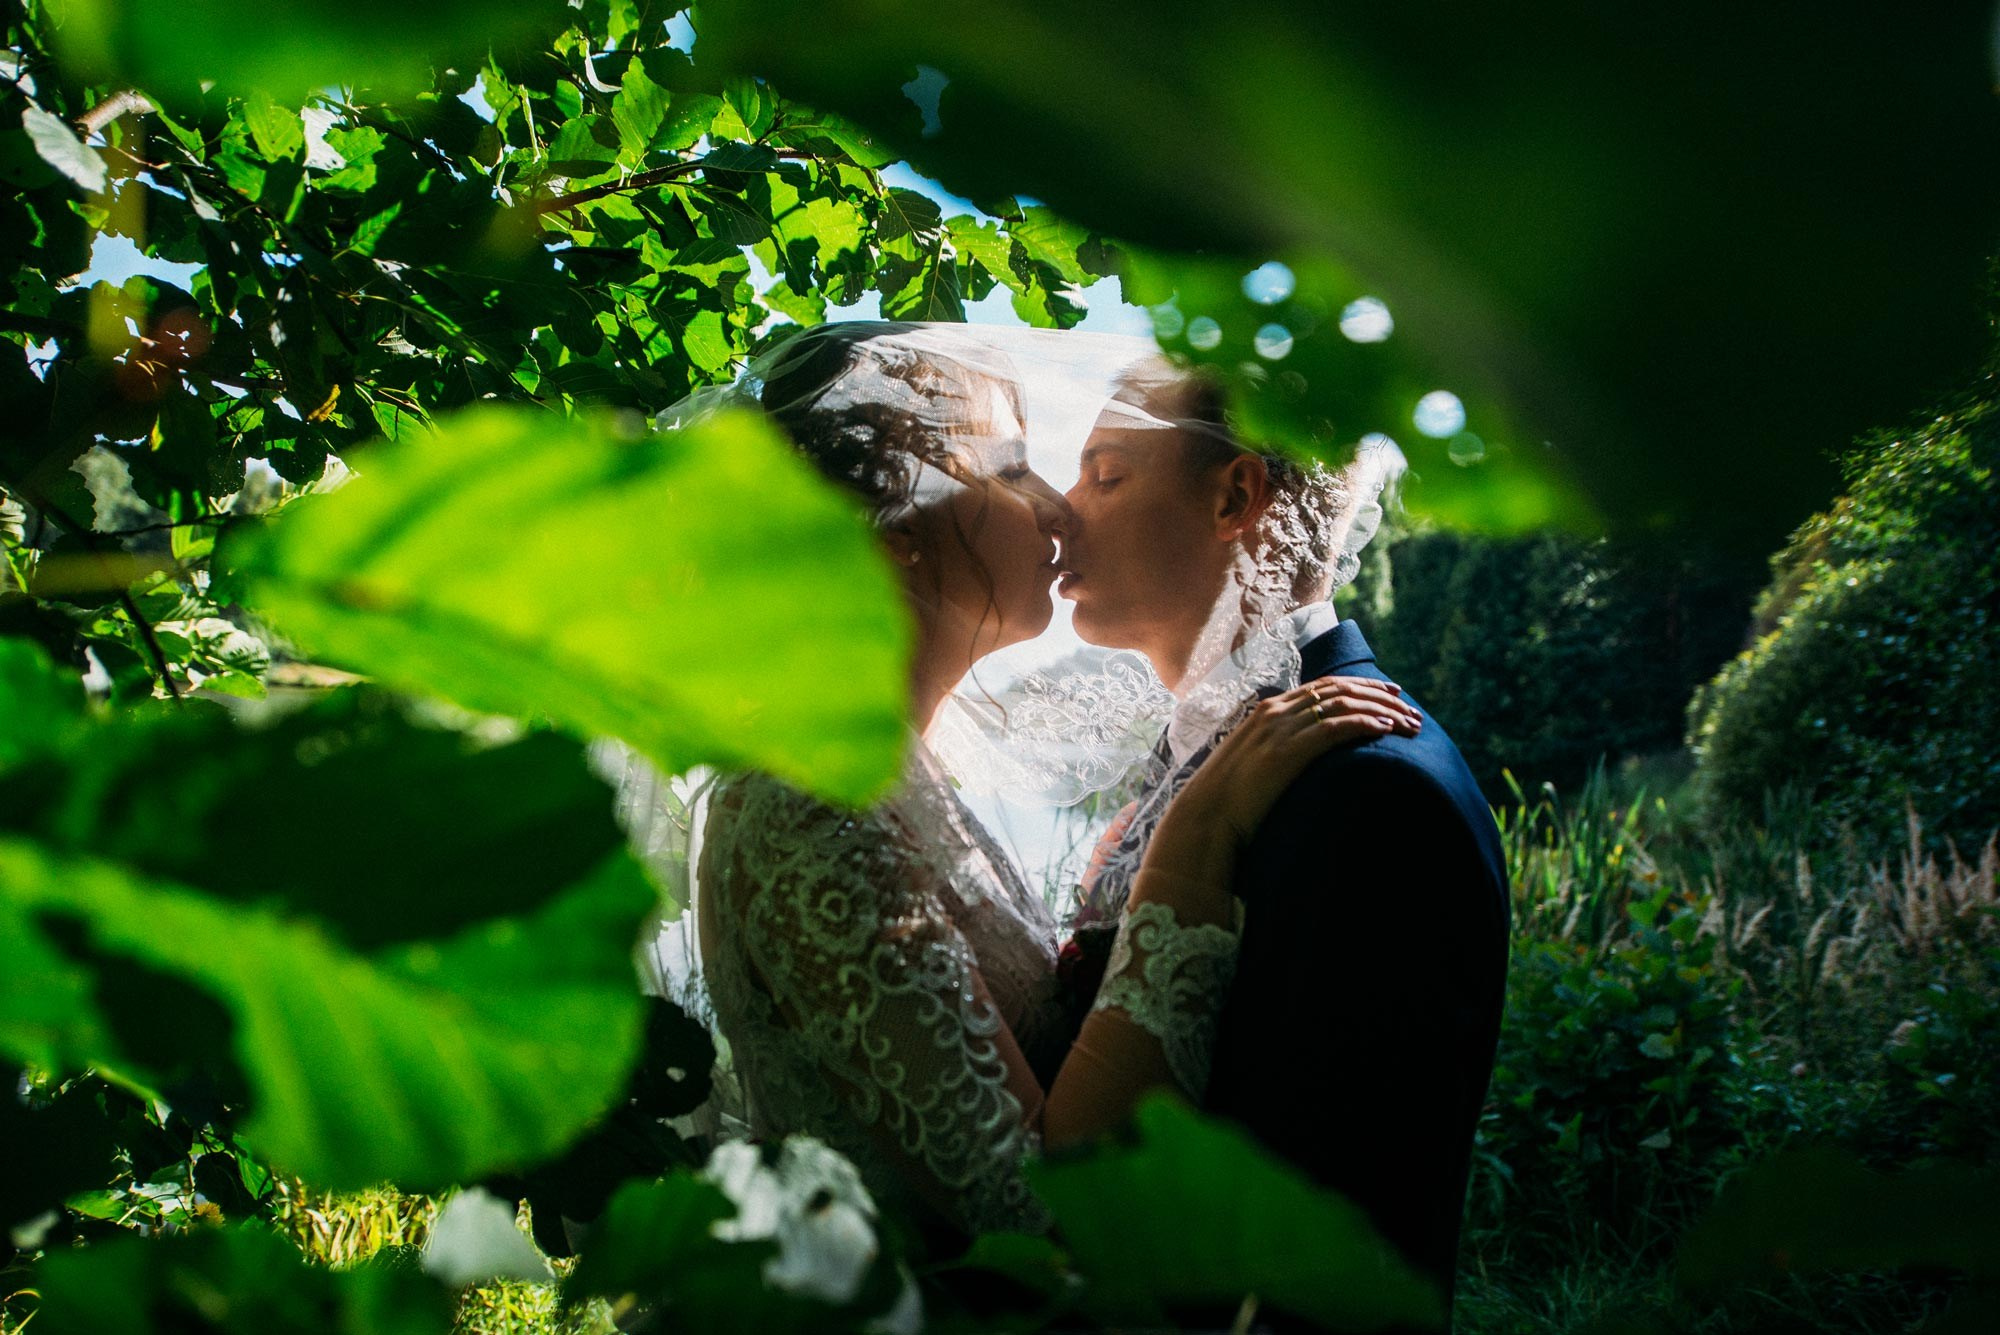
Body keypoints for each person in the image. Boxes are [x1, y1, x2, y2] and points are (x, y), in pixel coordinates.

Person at [610, 323, 1419, 1253]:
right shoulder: (807, 803)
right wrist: (1195, 841)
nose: (1058, 511)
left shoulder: (896, 774)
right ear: (902, 521)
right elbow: (1041, 1214)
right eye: (1014, 468)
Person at [1058, 359, 1510, 1326]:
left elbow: (1326, 1223)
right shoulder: (1219, 749)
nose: (1061, 512)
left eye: (1103, 476)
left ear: (1234, 498)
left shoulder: (1371, 793)